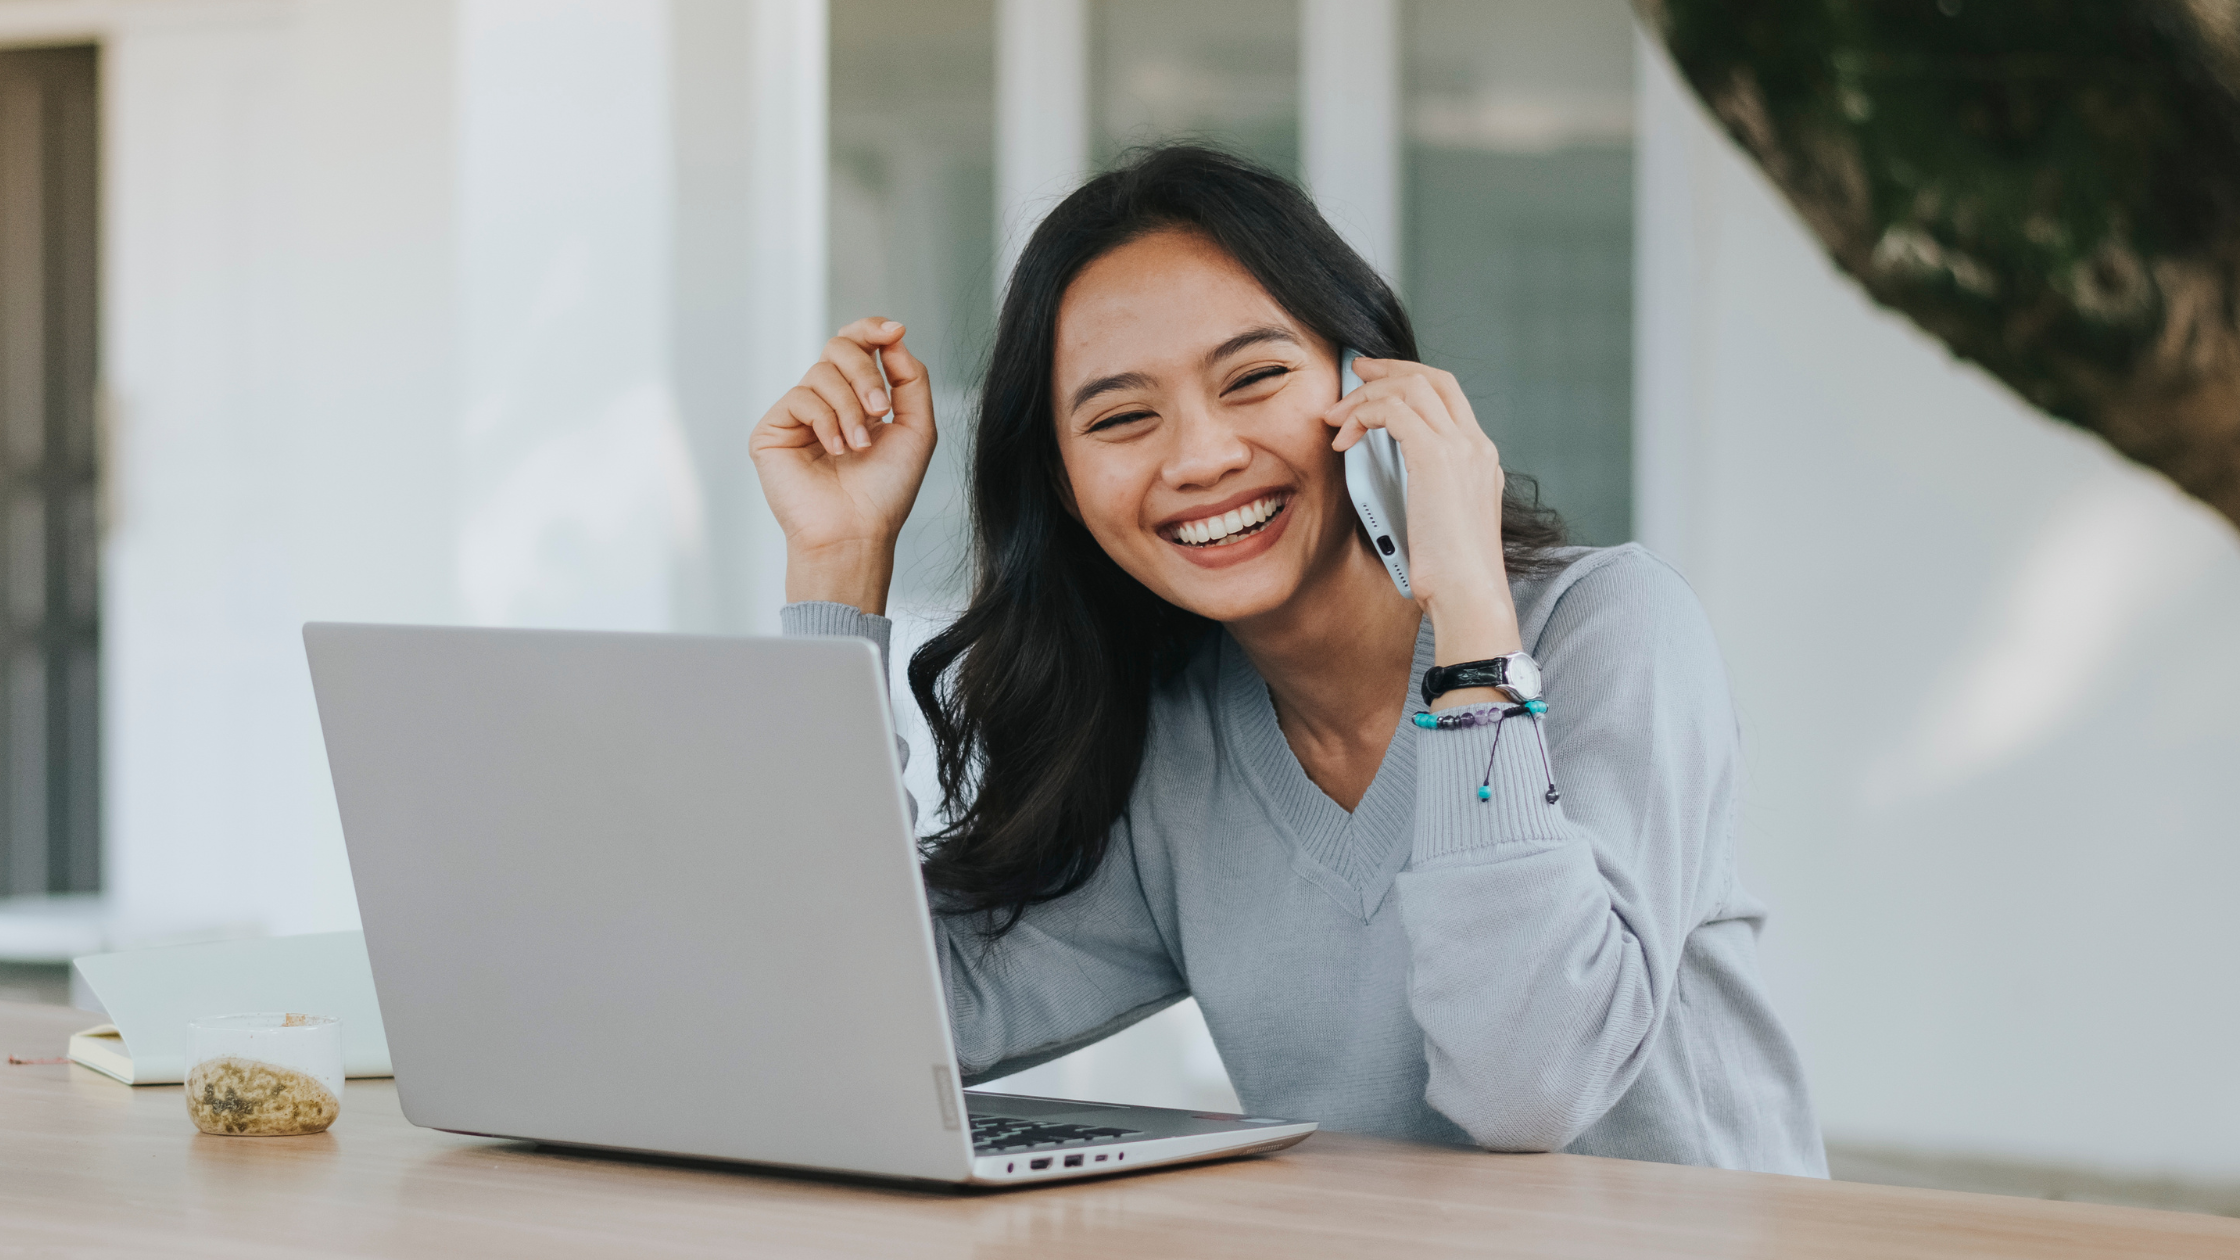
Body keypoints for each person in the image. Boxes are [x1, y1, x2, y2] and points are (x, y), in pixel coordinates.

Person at [749, 144, 1824, 1174]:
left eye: (1253, 378)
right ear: (1065, 488)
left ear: (1370, 384)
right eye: (1122, 416)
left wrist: (1469, 622)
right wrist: (838, 567)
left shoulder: (1611, 631)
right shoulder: (1173, 747)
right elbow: (856, 1024)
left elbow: (1527, 1085)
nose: (1202, 457)